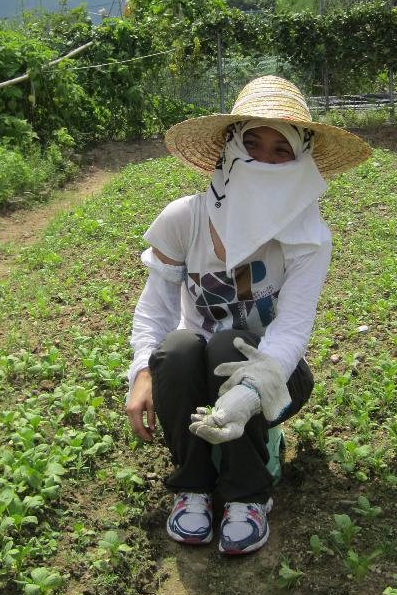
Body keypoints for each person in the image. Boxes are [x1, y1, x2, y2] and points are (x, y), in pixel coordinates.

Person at [125, 76, 371, 555]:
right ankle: (193, 484)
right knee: (176, 349)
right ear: (229, 151)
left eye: (282, 149)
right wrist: (139, 372)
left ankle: (248, 495)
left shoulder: (308, 238)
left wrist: (254, 388)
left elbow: (292, 329)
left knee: (227, 344)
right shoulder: (184, 219)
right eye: (251, 142)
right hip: (193, 370)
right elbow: (154, 311)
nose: (264, 158)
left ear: (301, 163)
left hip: (278, 374)